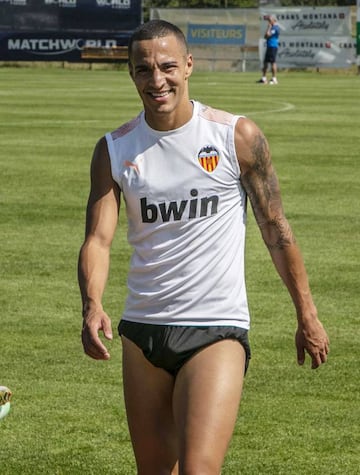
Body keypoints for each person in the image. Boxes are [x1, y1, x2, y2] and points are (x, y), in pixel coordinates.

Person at [78, 19, 329, 475]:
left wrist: (306, 313)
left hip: (216, 328)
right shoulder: (114, 149)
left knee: (198, 469)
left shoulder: (236, 136)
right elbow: (98, 239)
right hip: (143, 329)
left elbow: (275, 227)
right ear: (131, 74)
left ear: (189, 65)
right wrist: (92, 304)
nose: (157, 80)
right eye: (143, 70)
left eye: (168, 66)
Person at [257, 15, 280, 84]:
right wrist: (266, 17)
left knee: (273, 62)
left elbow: (267, 35)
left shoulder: (275, 28)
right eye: (269, 21)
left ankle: (274, 79)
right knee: (265, 62)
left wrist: (269, 27)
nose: (269, 22)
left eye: (270, 20)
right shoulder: (272, 27)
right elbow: (265, 36)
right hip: (269, 46)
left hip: (273, 46)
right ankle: (264, 78)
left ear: (274, 20)